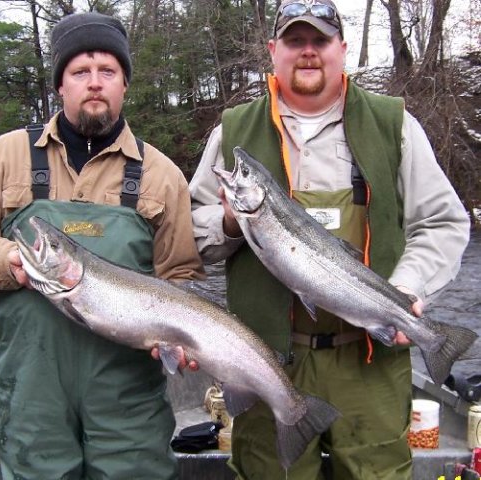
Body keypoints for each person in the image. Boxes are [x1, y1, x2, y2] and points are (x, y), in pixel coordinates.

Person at [189, 0, 471, 479]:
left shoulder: (395, 126)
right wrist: (234, 222)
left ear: (342, 49)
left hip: (369, 362)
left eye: (320, 40)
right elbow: (194, 234)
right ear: (272, 50)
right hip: (266, 358)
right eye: (295, 41)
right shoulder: (232, 132)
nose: (308, 53)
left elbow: (442, 223)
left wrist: (407, 292)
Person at [0, 11, 204, 480]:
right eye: (80, 72)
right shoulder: (0, 158)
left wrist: (181, 340)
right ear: (61, 85)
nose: (94, 83)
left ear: (124, 85)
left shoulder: (163, 176)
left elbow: (180, 277)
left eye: (107, 72)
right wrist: (10, 259)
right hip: (33, 394)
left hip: (129, 398)